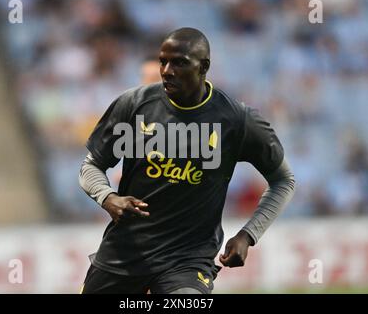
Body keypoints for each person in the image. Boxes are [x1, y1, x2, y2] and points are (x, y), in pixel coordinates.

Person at [79, 27, 295, 294]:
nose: (167, 70)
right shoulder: (133, 106)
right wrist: (107, 197)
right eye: (163, 61)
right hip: (124, 253)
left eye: (179, 62)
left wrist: (248, 235)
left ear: (203, 67)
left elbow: (283, 180)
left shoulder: (236, 120)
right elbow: (91, 166)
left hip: (187, 262)